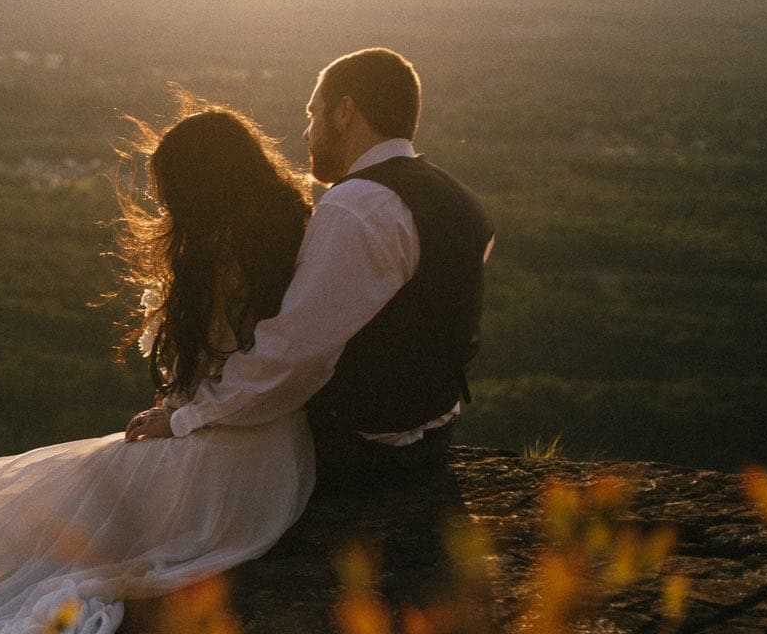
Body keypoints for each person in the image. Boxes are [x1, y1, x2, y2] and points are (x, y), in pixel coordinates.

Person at [0, 105, 318, 634]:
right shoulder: (284, 230)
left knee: (85, 477)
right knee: (93, 471)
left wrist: (178, 415)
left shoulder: (226, 258)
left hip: (232, 454)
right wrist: (181, 411)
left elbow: (230, 369)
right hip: (278, 454)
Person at [124, 48, 494, 495]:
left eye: (312, 113)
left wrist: (188, 417)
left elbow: (296, 353)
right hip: (430, 432)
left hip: (355, 451)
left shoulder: (355, 208)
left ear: (345, 112)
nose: (305, 132)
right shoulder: (457, 198)